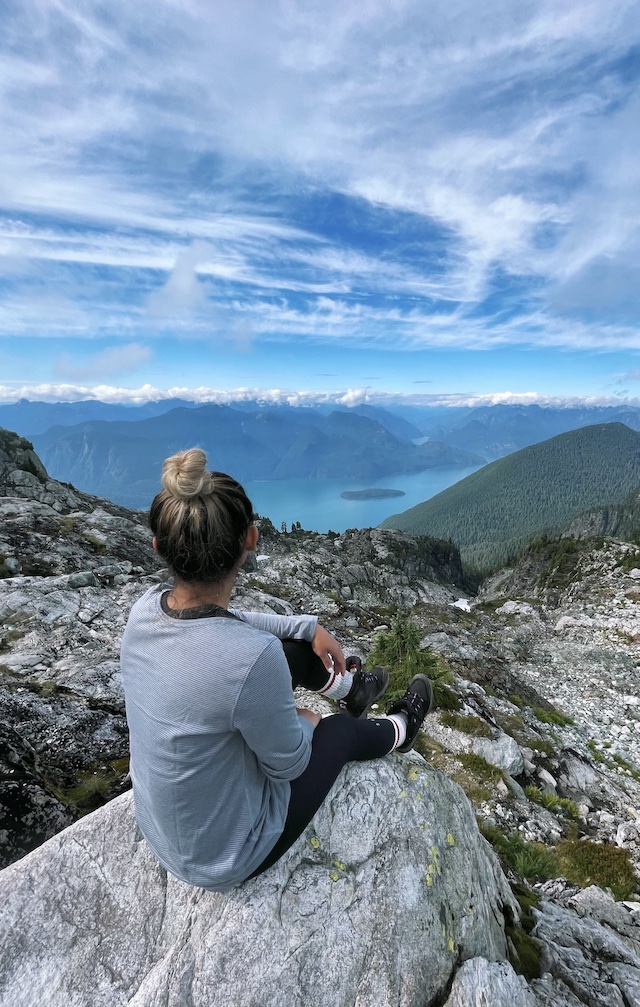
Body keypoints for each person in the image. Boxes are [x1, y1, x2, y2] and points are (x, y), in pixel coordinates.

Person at [120, 448, 432, 892]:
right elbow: (290, 765)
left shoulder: (145, 611)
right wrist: (306, 723)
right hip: (225, 856)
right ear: (251, 538)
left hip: (161, 829)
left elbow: (230, 626)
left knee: (291, 650)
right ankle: (402, 727)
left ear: (159, 546)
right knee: (338, 733)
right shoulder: (250, 659)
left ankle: (352, 689)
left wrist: (309, 627)